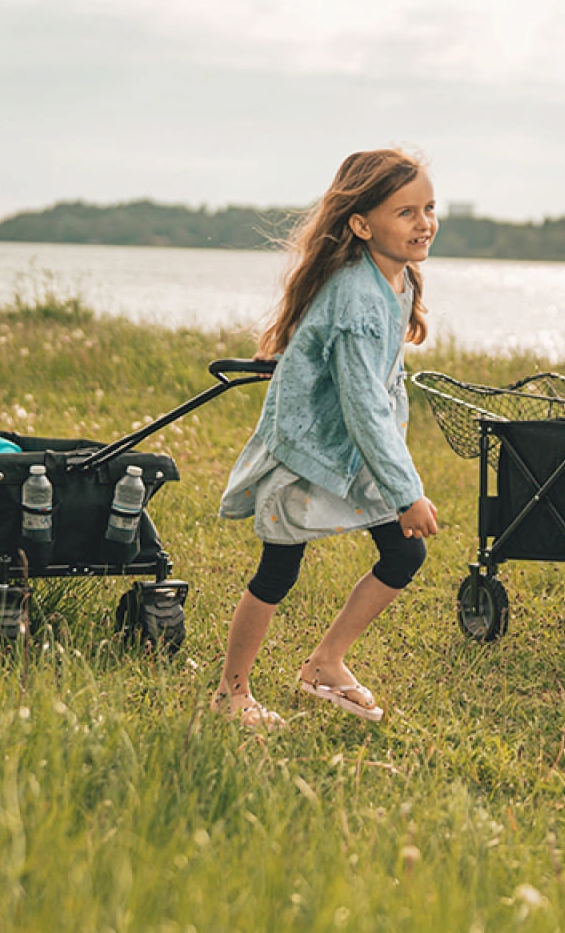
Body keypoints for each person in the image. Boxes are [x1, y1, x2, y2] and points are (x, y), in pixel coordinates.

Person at [213, 148, 441, 728]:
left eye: (429, 209)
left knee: (403, 551)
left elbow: (380, 393)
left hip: (357, 451)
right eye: (406, 212)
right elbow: (363, 403)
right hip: (310, 450)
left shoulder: (398, 282)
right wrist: (405, 489)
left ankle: (325, 664)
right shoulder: (356, 297)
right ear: (362, 225)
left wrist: (394, 471)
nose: (424, 223)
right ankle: (231, 693)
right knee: (278, 569)